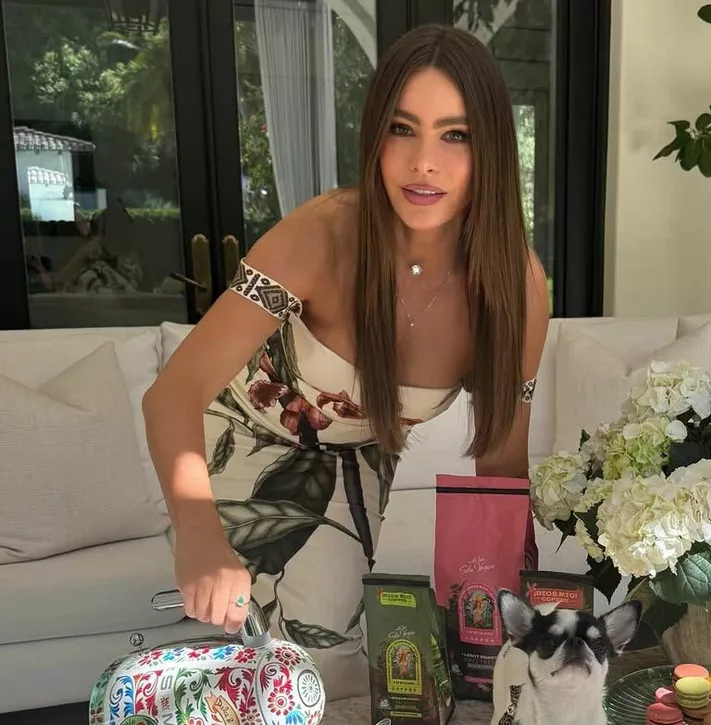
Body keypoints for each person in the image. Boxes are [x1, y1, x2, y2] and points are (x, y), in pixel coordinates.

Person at [141, 23, 550, 700]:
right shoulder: (320, 236)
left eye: (455, 135)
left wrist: (513, 615)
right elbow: (172, 393)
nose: (423, 162)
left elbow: (503, 465)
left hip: (359, 457)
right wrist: (197, 530)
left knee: (327, 664)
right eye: (401, 129)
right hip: (240, 436)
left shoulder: (518, 288)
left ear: (494, 150)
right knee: (260, 671)